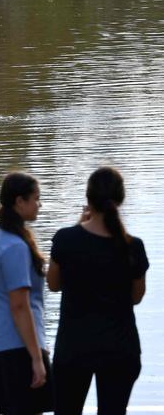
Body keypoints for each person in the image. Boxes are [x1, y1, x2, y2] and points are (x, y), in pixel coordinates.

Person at [47, 167, 148, 414]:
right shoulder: (133, 247)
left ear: (88, 199)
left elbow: (53, 284)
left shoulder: (65, 239)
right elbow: (136, 297)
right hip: (120, 348)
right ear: (120, 199)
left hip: (74, 349)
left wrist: (78, 226)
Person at [0, 172, 54, 415]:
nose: (39, 205)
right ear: (20, 202)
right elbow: (20, 306)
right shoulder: (15, 246)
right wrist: (37, 358)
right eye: (36, 199)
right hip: (17, 353)